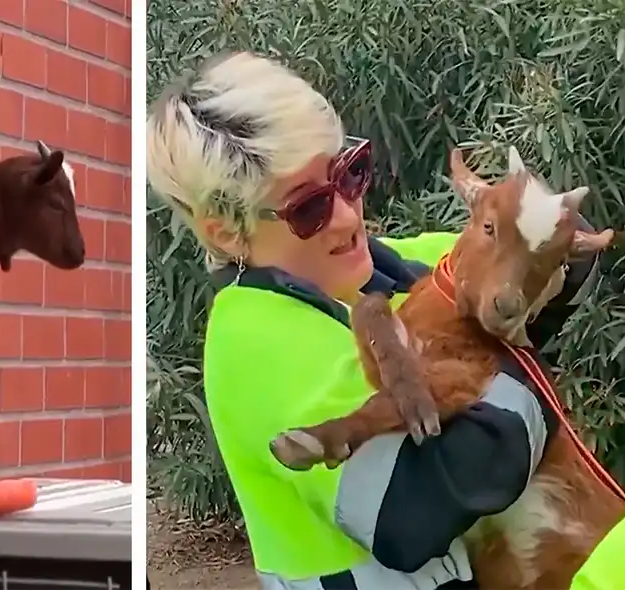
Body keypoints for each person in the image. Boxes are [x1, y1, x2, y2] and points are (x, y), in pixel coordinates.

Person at [146, 50, 609, 589]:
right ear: (226, 230)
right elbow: (420, 505)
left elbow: (566, 261)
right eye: (307, 209)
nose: (346, 217)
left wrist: (527, 234)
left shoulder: (377, 269)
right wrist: (514, 365)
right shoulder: (253, 336)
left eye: (348, 174)